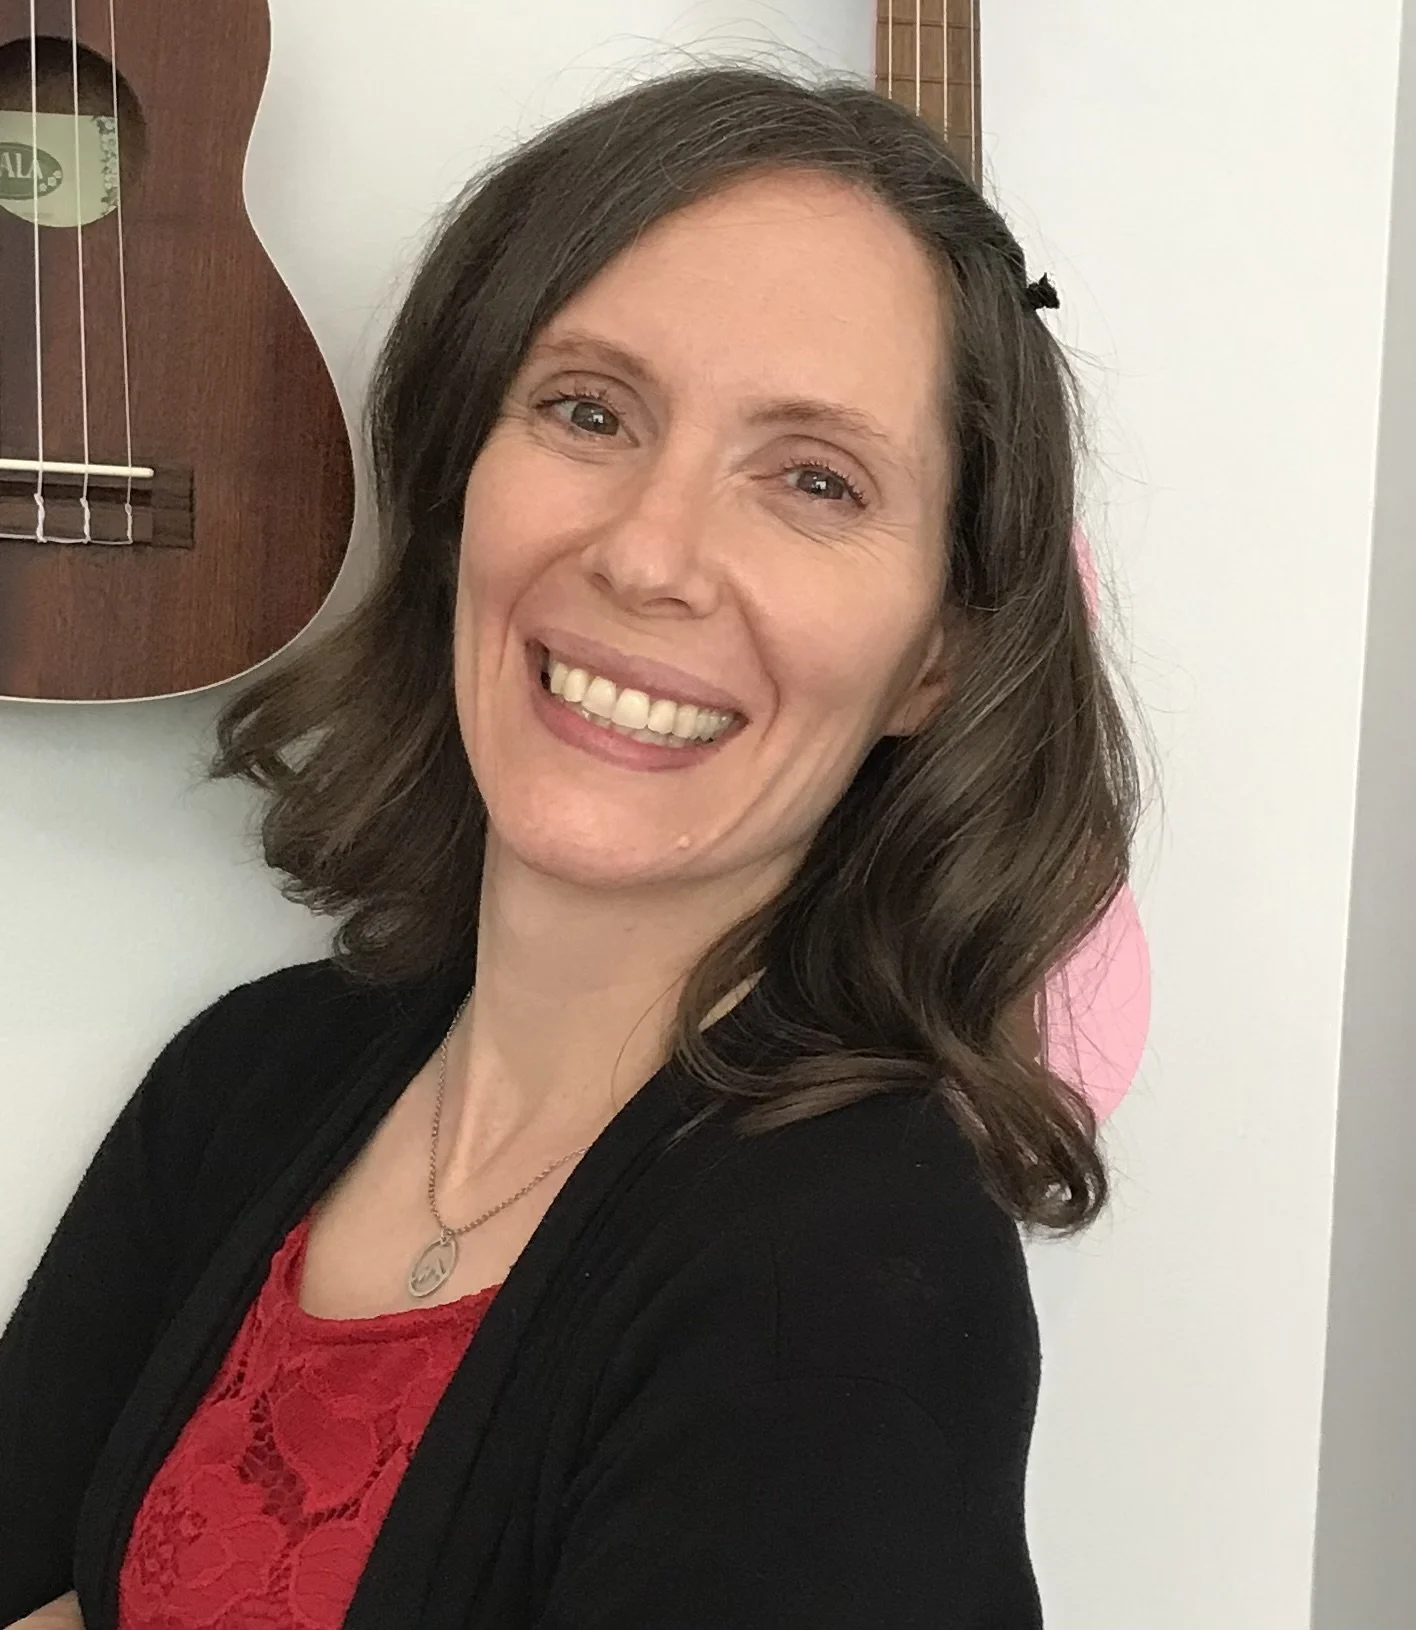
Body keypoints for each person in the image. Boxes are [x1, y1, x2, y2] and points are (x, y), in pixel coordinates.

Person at [0, 61, 1143, 1629]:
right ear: (460, 481)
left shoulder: (860, 1274)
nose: (651, 553)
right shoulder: (247, 1081)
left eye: (815, 479)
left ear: (937, 655)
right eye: (589, 409)